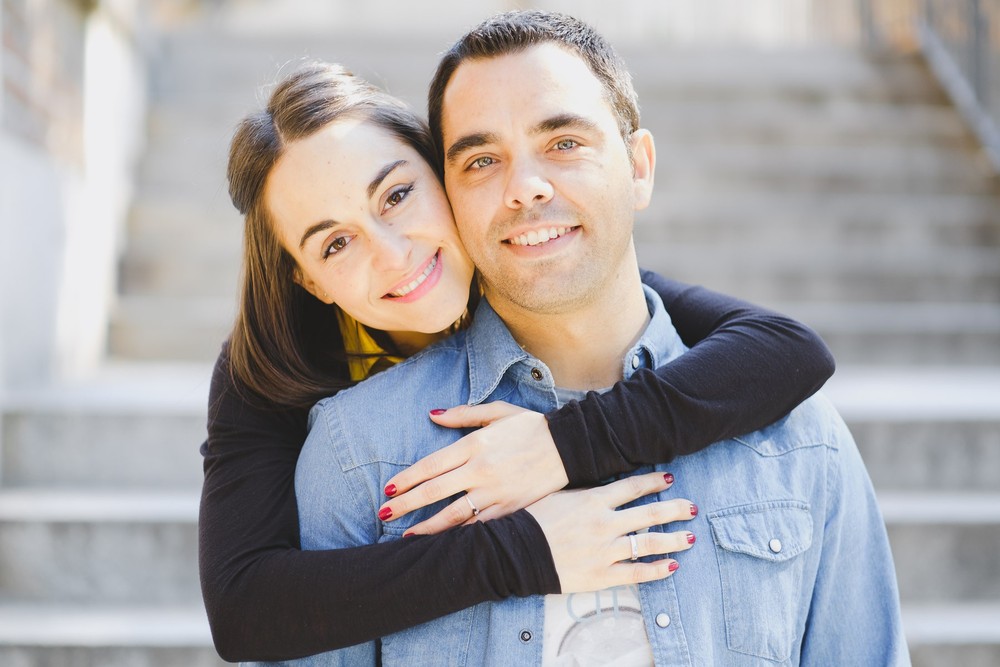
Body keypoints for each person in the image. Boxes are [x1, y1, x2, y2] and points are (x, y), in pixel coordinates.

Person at [275, 10, 909, 666]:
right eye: (482, 160)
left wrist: (565, 445)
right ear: (449, 199)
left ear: (639, 167)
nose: (525, 188)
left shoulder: (801, 441)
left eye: (564, 143)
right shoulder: (363, 455)